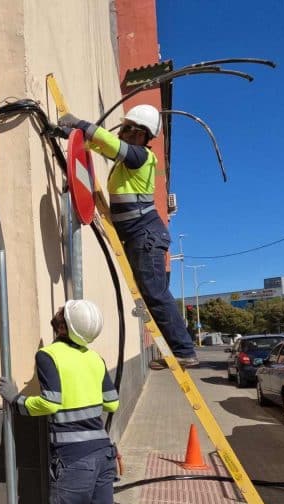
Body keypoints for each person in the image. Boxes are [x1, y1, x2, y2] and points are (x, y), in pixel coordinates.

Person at [0, 300, 119, 504]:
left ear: (62, 325)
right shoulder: (95, 358)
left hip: (73, 459)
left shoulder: (48, 355)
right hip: (103, 454)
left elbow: (50, 403)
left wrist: (17, 400)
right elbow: (112, 403)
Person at [59, 106, 198, 369]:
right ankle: (178, 349)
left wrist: (80, 123)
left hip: (145, 236)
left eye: (124, 129)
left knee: (156, 292)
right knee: (151, 293)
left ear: (138, 133)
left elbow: (110, 144)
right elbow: (102, 148)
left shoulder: (141, 157)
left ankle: (184, 350)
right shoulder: (127, 161)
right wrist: (70, 135)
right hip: (138, 237)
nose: (120, 133)